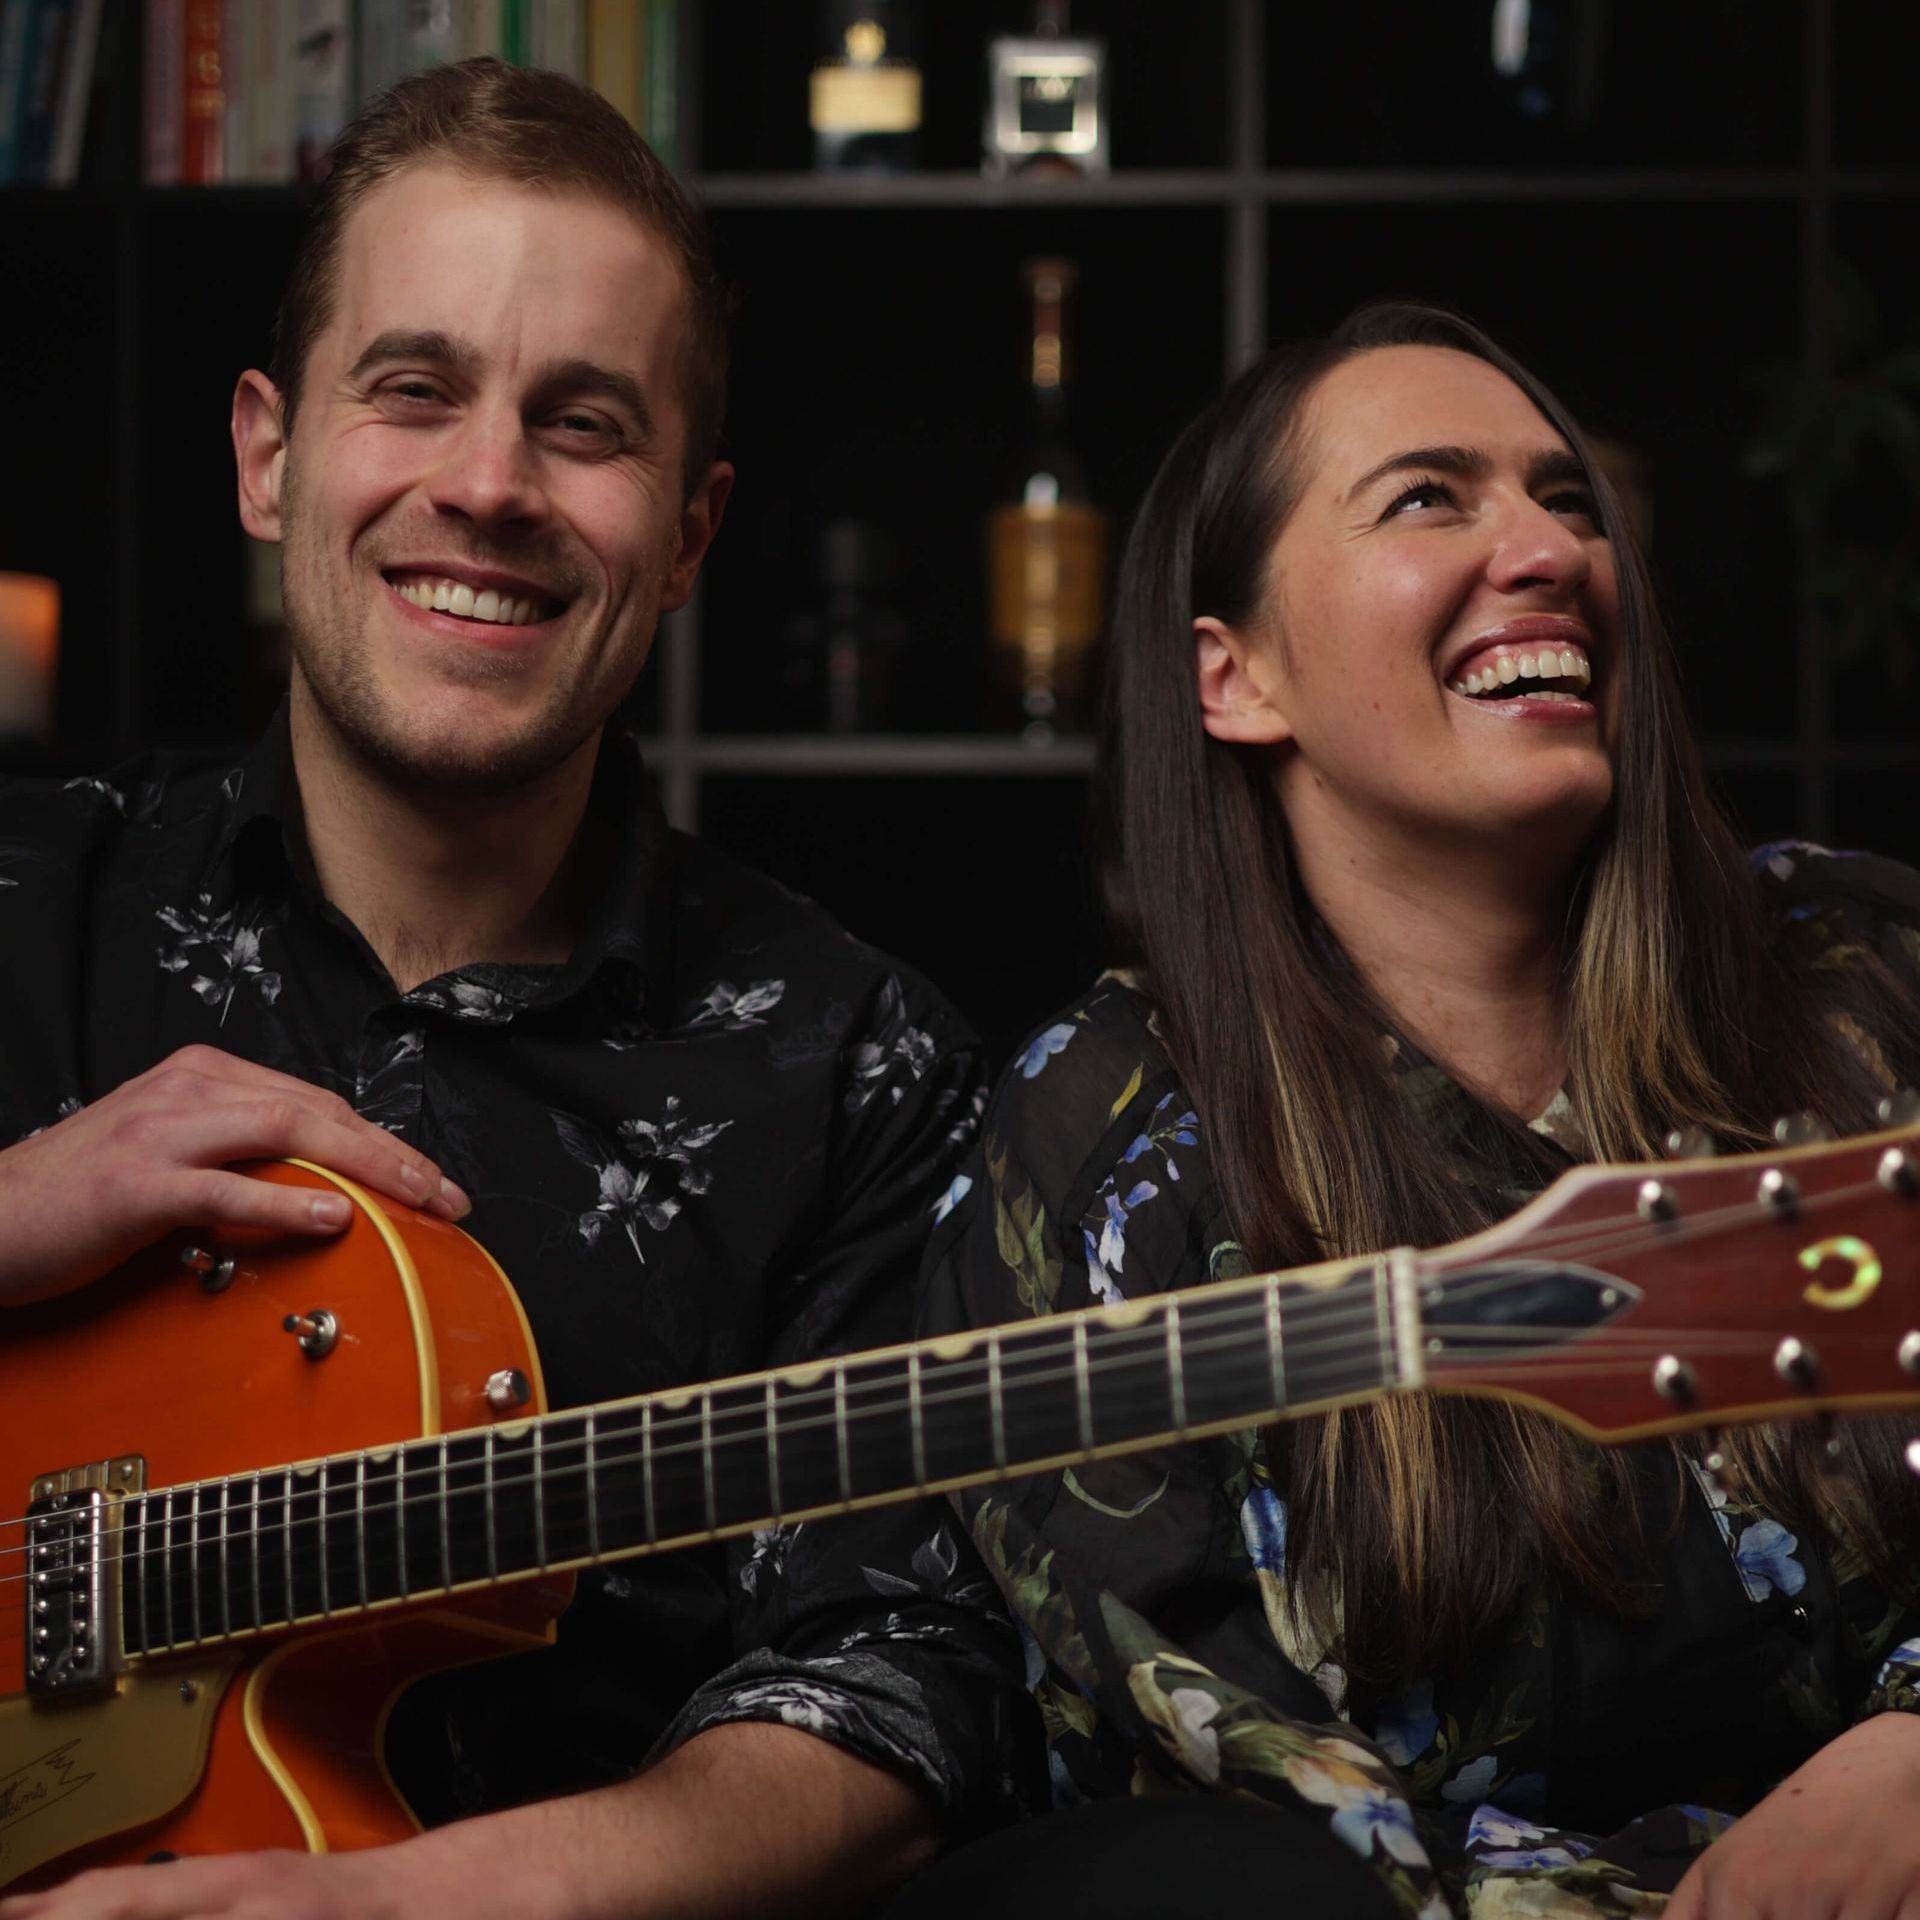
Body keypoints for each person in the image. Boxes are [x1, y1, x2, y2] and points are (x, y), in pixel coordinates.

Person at [0, 58, 1034, 1920]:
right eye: (413, 391)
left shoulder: (864, 1074)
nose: (487, 486)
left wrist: (393, 1908)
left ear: (691, 537)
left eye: (584, 426)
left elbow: (900, 1690)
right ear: (268, 454)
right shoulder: (13, 903)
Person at [910, 302, 1920, 1919]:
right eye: (1429, 498)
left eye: (1567, 498)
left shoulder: (1869, 970)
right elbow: (1232, 1793)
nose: (1549, 547)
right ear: (1233, 681)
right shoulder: (1099, 1148)